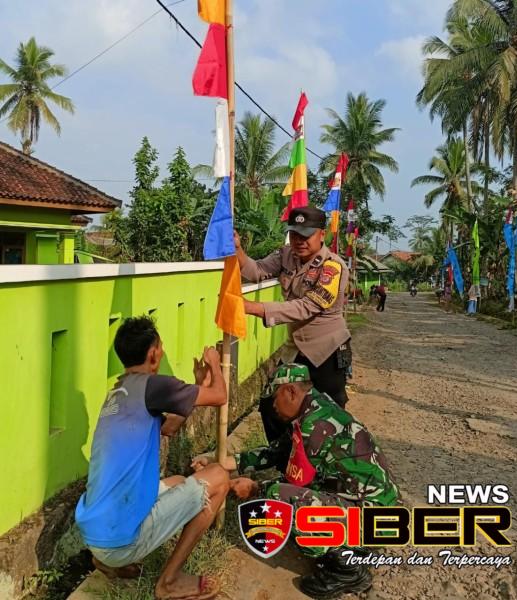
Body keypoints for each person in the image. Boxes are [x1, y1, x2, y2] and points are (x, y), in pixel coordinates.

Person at [193, 364, 399, 599]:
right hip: (372, 512)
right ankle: (348, 547)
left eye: (275, 398)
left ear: (290, 392)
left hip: (373, 519)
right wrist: (218, 462)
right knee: (286, 496)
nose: (273, 406)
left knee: (276, 497)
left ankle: (348, 568)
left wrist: (254, 488)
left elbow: (296, 486)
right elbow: (276, 453)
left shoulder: (315, 425)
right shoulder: (316, 408)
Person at [75, 316, 238, 600]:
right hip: (119, 541)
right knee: (219, 477)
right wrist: (213, 360)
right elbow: (220, 395)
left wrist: (196, 384)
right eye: (160, 347)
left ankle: (105, 561)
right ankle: (168, 583)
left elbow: (169, 428)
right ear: (153, 354)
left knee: (177, 481)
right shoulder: (152, 385)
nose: (161, 352)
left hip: (96, 536)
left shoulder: (119, 391)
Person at [234, 205, 351, 445]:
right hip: (296, 348)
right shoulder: (285, 255)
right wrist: (238, 251)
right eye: (294, 234)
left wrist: (254, 308)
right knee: (272, 403)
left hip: (326, 350)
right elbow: (257, 271)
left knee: (330, 413)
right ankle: (283, 458)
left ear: (322, 234)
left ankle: (332, 467)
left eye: (306, 235)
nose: (299, 241)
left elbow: (307, 306)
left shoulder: (333, 267)